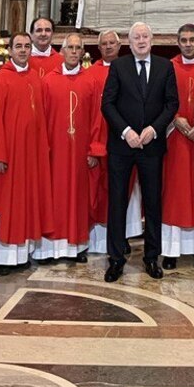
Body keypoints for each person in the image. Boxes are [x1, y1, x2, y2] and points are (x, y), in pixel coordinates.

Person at [0, 31, 54, 273]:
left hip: (29, 158)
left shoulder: (35, 78)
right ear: (10, 50)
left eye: (27, 46)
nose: (23, 50)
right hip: (7, 158)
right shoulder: (0, 80)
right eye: (18, 46)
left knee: (24, 203)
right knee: (3, 204)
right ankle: (0, 256)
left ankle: (20, 254)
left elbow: (41, 120)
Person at [101, 21, 179, 283]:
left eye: (145, 36)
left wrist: (154, 129)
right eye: (136, 37)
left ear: (152, 39)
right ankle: (115, 260)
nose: (141, 40)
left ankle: (151, 257)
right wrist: (127, 132)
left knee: (153, 202)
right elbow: (108, 104)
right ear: (130, 42)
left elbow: (172, 103)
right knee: (117, 202)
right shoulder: (118, 66)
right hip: (122, 146)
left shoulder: (165, 66)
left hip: (152, 145)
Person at [41, 33, 101, 262]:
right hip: (55, 152)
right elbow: (42, 120)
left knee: (78, 197)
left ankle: (76, 247)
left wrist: (94, 149)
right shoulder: (48, 81)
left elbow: (97, 118)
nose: (74, 52)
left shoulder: (91, 82)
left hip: (80, 153)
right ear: (62, 51)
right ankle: (47, 249)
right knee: (53, 197)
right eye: (70, 48)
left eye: (78, 48)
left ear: (83, 52)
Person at [87, 29, 142, 255]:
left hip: (124, 140)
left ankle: (123, 236)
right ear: (98, 48)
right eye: (104, 44)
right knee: (99, 190)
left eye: (112, 43)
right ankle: (97, 238)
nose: (108, 47)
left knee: (124, 189)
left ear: (120, 46)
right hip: (98, 141)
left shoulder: (131, 69)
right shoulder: (89, 74)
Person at [162, 23, 194, 270]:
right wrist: (175, 119)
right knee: (175, 193)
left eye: (192, 39)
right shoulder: (168, 67)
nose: (188, 44)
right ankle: (171, 250)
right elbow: (160, 98)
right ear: (177, 42)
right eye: (184, 40)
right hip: (175, 139)